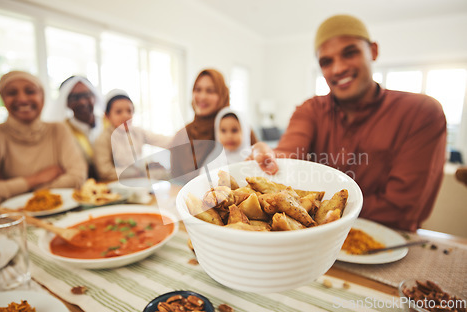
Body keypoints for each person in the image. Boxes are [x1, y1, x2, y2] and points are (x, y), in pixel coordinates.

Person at [249, 15, 447, 232]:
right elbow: (289, 153)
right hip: (313, 244)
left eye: (349, 53)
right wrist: (271, 161)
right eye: (326, 62)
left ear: (373, 51)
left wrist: (326, 209)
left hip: (388, 244)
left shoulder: (420, 113)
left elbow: (403, 208)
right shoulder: (311, 110)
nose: (337, 69)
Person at [0, 71, 87, 207]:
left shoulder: (58, 130)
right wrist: (33, 180)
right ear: (3, 99)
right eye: (12, 93)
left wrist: (6, 186)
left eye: (30, 91)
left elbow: (77, 178)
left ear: (42, 97)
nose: (23, 99)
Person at [170, 69, 257, 183]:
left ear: (222, 95)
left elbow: (259, 164)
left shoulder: (240, 128)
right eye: (198, 89)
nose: (202, 96)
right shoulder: (182, 136)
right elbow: (175, 183)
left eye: (210, 91)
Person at [93, 89, 173, 181]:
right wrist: (136, 172)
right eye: (118, 112)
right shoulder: (103, 139)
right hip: (116, 186)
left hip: (138, 180)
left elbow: (163, 140)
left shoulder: (137, 132)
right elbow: (105, 172)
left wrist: (184, 138)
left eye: (129, 111)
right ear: (106, 116)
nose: (126, 116)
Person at [56, 76, 103, 178]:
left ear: (94, 96)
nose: (82, 102)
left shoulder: (109, 122)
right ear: (66, 103)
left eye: (86, 95)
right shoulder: (62, 130)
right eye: (75, 98)